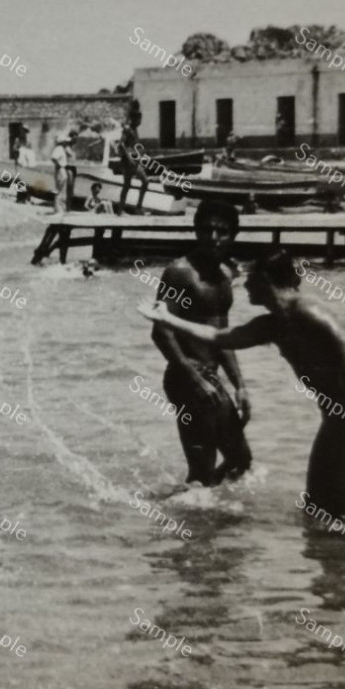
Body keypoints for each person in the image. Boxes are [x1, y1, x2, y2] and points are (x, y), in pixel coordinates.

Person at [139, 248, 345, 522]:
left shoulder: (305, 309)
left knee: (340, 518)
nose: (244, 284)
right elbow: (219, 336)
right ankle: (336, 560)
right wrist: (166, 318)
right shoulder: (270, 325)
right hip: (337, 419)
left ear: (266, 280)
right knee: (315, 511)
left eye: (250, 279)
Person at [143, 199, 252, 487]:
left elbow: (222, 336)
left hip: (211, 378)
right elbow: (161, 331)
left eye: (222, 231)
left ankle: (199, 514)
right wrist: (194, 378)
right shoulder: (179, 272)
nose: (214, 237)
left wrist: (239, 384)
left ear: (233, 235)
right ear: (196, 230)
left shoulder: (226, 275)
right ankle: (189, 524)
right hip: (186, 378)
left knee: (240, 461)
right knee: (202, 470)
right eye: (206, 230)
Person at [117, 104, 151, 215]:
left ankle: (138, 207)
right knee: (127, 185)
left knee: (145, 182)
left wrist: (140, 157)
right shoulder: (128, 129)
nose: (140, 121)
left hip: (135, 161)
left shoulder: (135, 130)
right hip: (127, 162)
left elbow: (133, 146)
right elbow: (121, 144)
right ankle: (120, 210)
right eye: (139, 119)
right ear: (134, 119)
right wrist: (129, 158)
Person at [51, 133, 76, 214]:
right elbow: (54, 158)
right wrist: (59, 165)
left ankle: (60, 209)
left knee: (62, 190)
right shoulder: (59, 148)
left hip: (62, 169)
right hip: (61, 169)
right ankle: (58, 209)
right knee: (60, 190)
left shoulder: (61, 148)